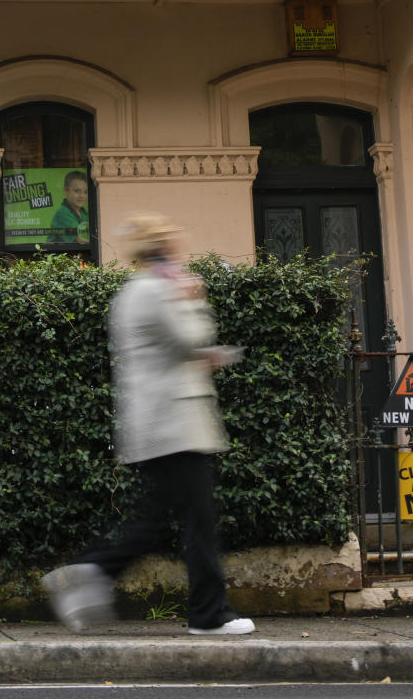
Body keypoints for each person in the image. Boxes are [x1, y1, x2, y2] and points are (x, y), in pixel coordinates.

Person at [42, 212, 254, 636]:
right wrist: (193, 297)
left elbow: (171, 349)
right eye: (173, 244)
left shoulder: (134, 291)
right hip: (174, 423)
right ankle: (208, 615)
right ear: (160, 248)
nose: (179, 252)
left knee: (155, 520)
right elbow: (190, 338)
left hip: (159, 423)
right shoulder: (157, 290)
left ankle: (90, 571)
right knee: (197, 521)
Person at [49, 170, 90, 244]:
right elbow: (80, 240)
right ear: (66, 191)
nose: (82, 196)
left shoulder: (83, 213)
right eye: (77, 191)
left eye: (86, 192)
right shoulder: (62, 213)